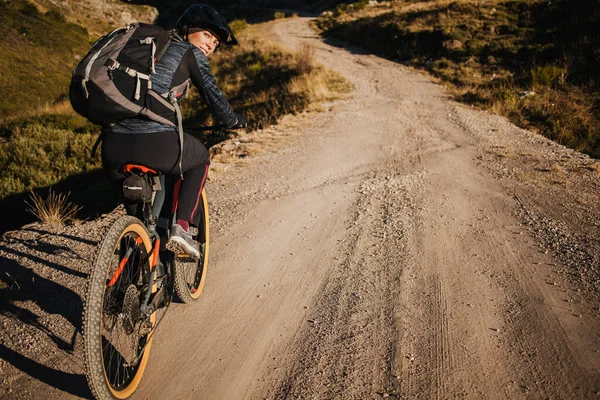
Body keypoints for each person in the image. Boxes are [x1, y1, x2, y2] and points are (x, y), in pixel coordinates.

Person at [101, 4, 246, 258]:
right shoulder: (188, 52)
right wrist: (232, 121)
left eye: (215, 42)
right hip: (152, 143)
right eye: (206, 35)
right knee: (199, 158)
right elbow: (213, 96)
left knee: (138, 216)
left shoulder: (146, 48)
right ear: (187, 30)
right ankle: (182, 228)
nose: (211, 45)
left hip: (112, 144)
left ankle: (131, 261)